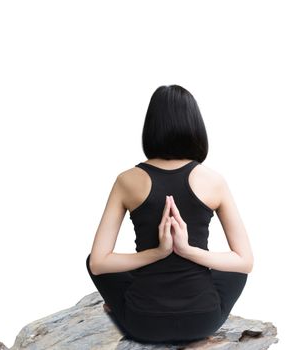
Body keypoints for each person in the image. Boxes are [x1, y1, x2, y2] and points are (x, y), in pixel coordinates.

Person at [85, 85, 254, 345]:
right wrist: (189, 253)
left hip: (143, 323)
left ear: (151, 127)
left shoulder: (127, 180)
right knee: (233, 267)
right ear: (195, 125)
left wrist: (156, 254)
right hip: (202, 321)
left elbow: (98, 263)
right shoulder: (213, 180)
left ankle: (119, 309)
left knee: (95, 262)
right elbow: (245, 262)